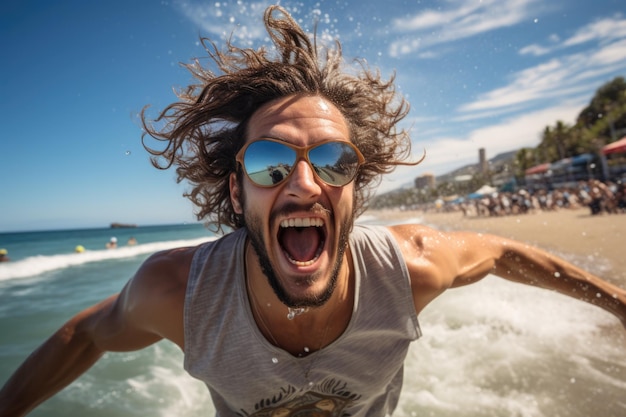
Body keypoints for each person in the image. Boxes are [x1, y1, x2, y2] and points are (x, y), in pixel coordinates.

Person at [1, 6, 625, 416]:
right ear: (237, 191)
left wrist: (621, 306)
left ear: (355, 189)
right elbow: (84, 335)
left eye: (333, 162)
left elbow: (504, 252)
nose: (303, 184)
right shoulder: (178, 292)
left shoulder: (407, 269)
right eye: (271, 163)